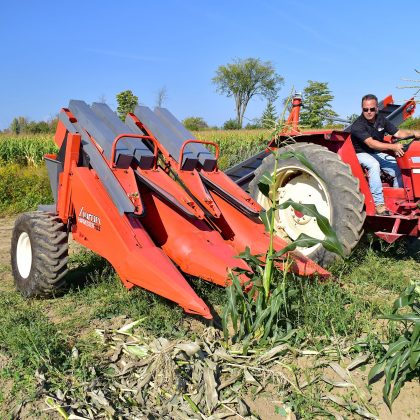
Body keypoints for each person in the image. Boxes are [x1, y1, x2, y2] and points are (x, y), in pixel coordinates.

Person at [351, 94, 420, 215]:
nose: (369, 112)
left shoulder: (381, 119)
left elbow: (398, 133)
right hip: (360, 153)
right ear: (362, 109)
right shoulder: (358, 125)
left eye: (372, 109)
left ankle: (398, 200)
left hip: (376, 152)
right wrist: (393, 147)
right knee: (374, 165)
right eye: (365, 109)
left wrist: (415, 133)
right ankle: (379, 204)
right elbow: (371, 144)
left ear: (377, 108)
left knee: (397, 167)